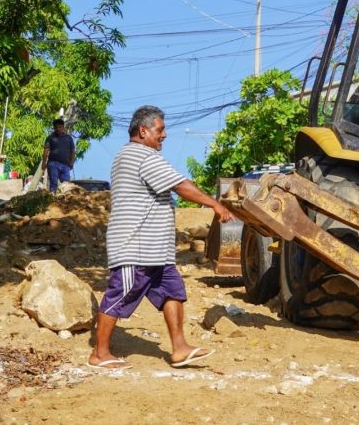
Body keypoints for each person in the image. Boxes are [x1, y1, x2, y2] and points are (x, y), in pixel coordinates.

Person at [88, 105, 232, 371]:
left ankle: (180, 349)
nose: (164, 135)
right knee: (121, 293)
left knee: (172, 292)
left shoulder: (126, 155)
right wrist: (215, 204)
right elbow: (181, 185)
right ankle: (100, 353)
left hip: (155, 250)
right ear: (143, 131)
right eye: (160, 129)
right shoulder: (143, 156)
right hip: (136, 247)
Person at [42, 118, 75, 192]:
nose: (58, 129)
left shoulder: (68, 138)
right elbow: (46, 150)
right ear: (54, 128)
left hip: (66, 165)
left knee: (66, 185)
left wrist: (72, 163)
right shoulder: (50, 138)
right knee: (53, 184)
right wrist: (44, 163)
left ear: (63, 127)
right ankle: (52, 200)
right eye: (56, 127)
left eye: (60, 127)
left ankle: (66, 202)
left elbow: (73, 151)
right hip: (53, 164)